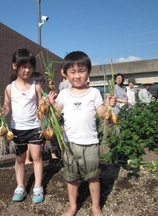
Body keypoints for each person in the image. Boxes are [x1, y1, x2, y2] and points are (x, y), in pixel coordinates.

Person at [48, 51, 116, 216]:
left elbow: (101, 113)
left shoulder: (94, 93)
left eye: (81, 71)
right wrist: (49, 106)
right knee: (71, 178)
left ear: (88, 72)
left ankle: (96, 207)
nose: (77, 76)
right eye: (73, 72)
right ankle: (72, 207)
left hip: (91, 142)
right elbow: (55, 116)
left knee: (93, 177)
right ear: (65, 74)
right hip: (70, 144)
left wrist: (108, 107)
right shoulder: (63, 94)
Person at [0, 49, 44, 204]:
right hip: (17, 129)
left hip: (35, 127)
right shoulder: (10, 88)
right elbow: (7, 107)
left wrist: (46, 105)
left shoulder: (36, 86)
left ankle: (38, 186)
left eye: (30, 67)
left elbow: (40, 106)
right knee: (20, 159)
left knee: (36, 157)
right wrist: (2, 112)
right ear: (14, 66)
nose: (27, 70)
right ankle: (20, 186)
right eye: (23, 66)